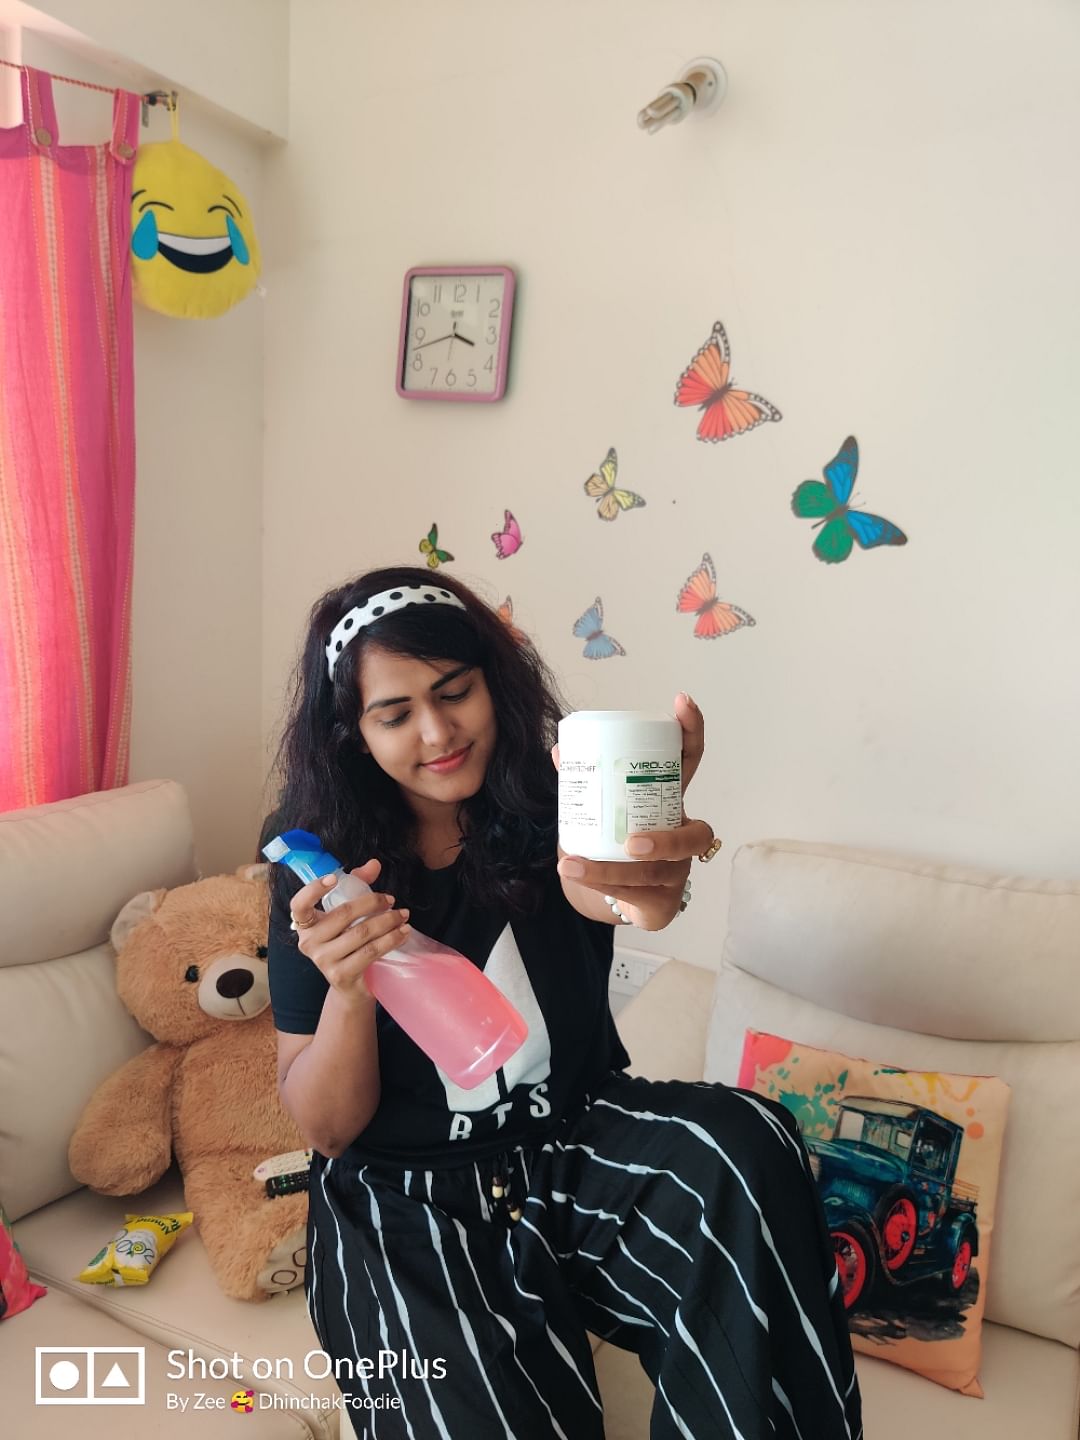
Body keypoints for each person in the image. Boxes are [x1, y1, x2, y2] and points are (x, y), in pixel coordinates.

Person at [265, 565, 862, 1440]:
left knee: (744, 1142)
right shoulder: (317, 872)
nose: (436, 732)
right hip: (406, 1202)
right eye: (395, 715)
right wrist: (351, 988)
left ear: (491, 685)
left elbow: (610, 894)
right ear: (354, 734)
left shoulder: (558, 801)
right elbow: (323, 1129)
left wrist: (647, 877)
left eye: (454, 692)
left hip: (573, 1146)